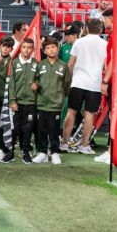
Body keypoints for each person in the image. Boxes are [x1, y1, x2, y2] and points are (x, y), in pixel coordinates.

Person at [60, 18, 109, 155]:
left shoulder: (79, 42)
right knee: (89, 115)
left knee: (71, 112)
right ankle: (84, 145)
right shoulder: (105, 44)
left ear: (86, 28)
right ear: (101, 30)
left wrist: (70, 79)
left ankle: (64, 144)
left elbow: (71, 63)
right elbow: (106, 66)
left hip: (78, 82)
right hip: (94, 84)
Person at [31, 36, 71, 164]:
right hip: (41, 103)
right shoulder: (40, 65)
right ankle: (42, 152)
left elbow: (67, 85)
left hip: (55, 104)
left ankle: (55, 153)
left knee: (54, 130)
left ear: (58, 48)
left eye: (53, 47)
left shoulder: (63, 66)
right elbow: (36, 79)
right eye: (48, 48)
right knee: (41, 130)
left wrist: (59, 97)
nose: (51, 50)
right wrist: (36, 85)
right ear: (44, 51)